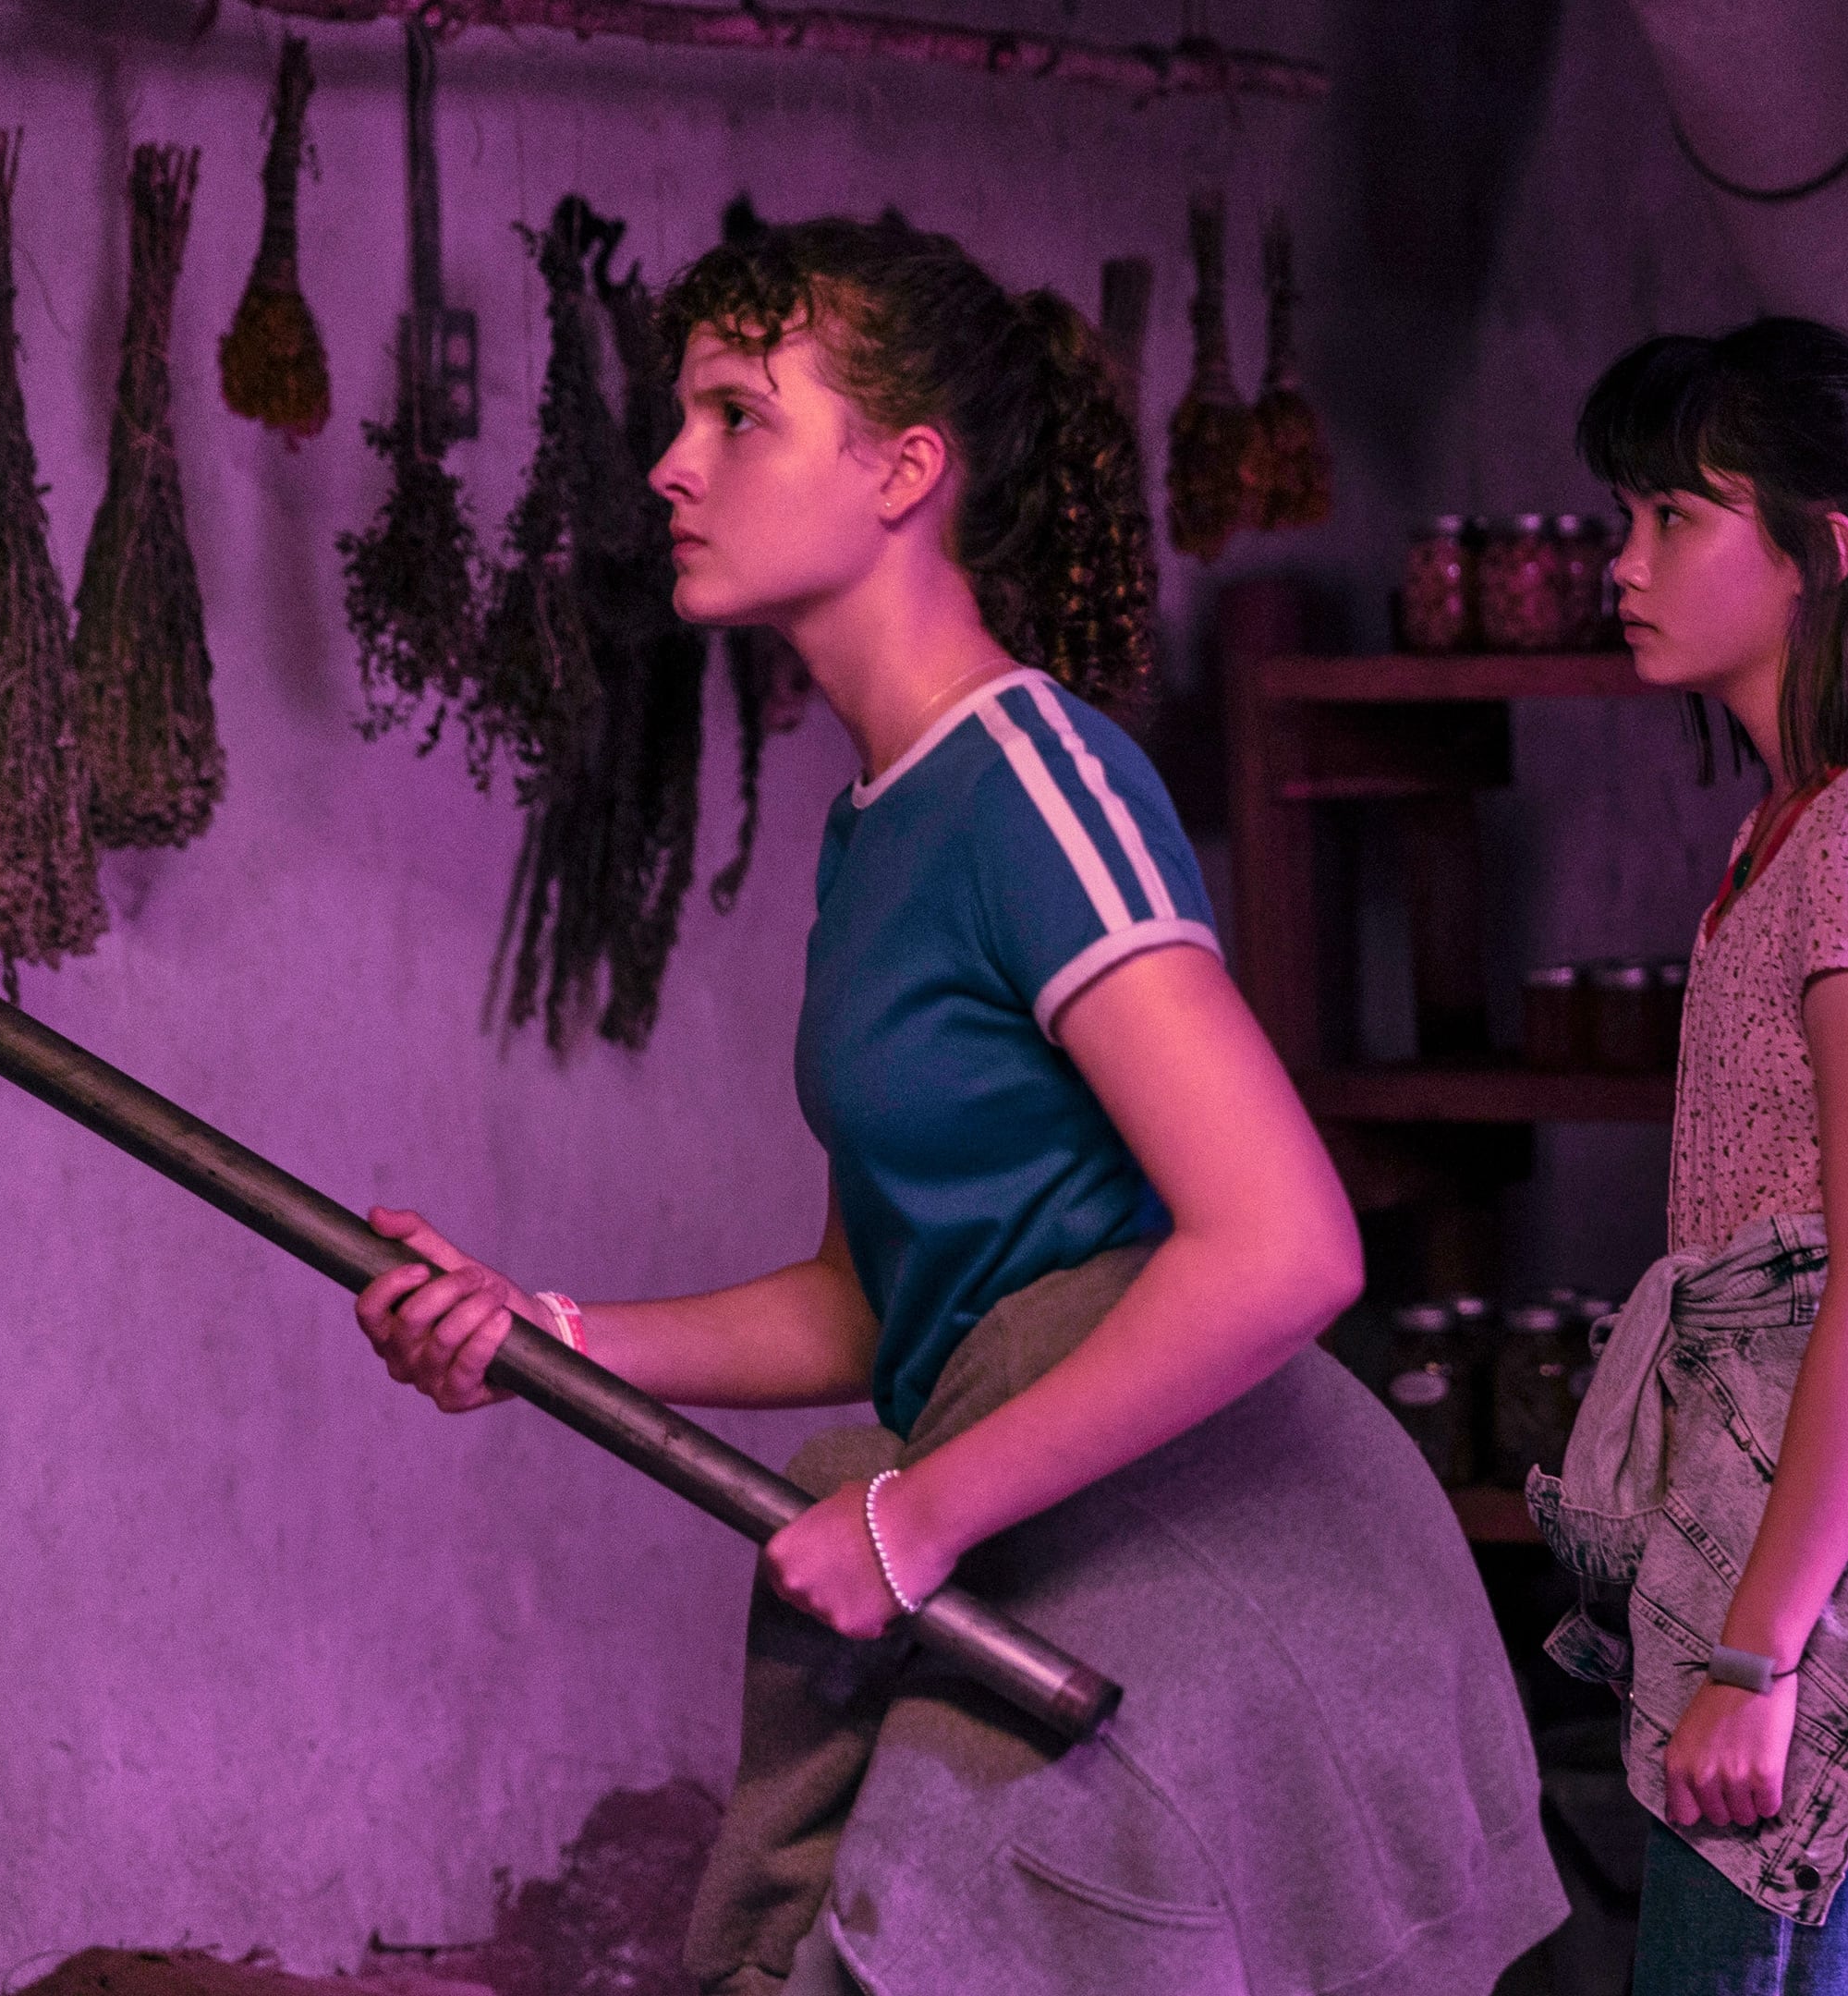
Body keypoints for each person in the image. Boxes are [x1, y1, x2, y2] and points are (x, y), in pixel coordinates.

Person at [350, 214, 1563, 1996]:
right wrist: (553, 1336)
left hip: (1221, 1545)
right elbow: (878, 1297)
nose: (673, 464)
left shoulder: (1030, 781)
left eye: (738, 416)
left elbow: (1287, 1246)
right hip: (1044, 1508)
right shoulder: (879, 826)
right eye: (681, 418)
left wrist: (914, 1522)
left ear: (904, 470)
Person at [1528, 317, 1848, 1996]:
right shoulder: (1800, 823)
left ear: (1821, 554)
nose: (1626, 562)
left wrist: (1757, 1654)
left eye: (1677, 517)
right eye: (1627, 517)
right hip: (1780, 1530)